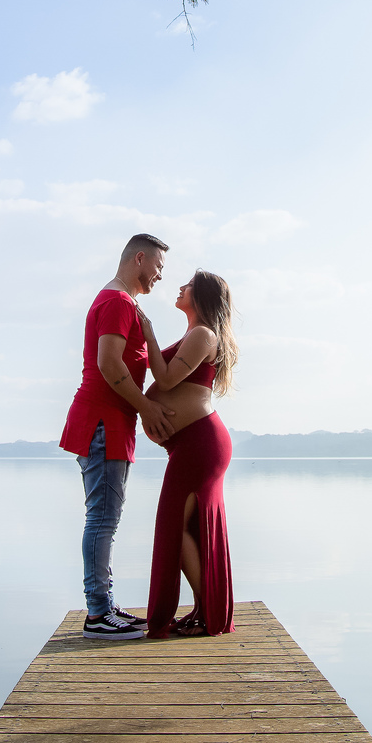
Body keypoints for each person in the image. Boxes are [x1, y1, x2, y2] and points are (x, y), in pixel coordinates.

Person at [60, 235, 174, 639]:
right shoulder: (116, 302)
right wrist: (147, 407)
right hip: (103, 423)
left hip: (110, 425)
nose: (161, 275)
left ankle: (104, 606)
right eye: (158, 266)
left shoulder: (124, 303)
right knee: (102, 520)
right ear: (138, 258)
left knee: (105, 519)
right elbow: (109, 365)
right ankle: (97, 615)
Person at [137, 270, 238, 638]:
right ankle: (204, 609)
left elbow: (165, 380)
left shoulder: (202, 334)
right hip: (191, 444)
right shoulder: (196, 334)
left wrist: (148, 333)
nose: (180, 288)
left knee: (175, 528)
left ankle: (207, 612)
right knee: (183, 528)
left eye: (189, 285)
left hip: (200, 443)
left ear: (203, 296)